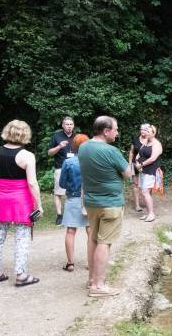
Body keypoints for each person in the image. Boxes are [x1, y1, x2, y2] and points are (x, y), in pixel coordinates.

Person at [78, 115, 133, 297]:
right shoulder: (112, 151)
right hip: (110, 204)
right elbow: (127, 173)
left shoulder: (83, 147)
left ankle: (91, 280)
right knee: (104, 242)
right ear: (106, 131)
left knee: (92, 239)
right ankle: (98, 287)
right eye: (115, 129)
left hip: (91, 203)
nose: (117, 132)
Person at [0, 119, 43, 287]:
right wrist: (38, 204)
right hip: (21, 200)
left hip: (0, 197)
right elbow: (32, 183)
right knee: (22, 237)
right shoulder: (27, 156)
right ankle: (21, 274)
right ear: (25, 134)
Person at [58, 133, 90, 272]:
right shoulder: (93, 162)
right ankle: (90, 262)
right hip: (90, 199)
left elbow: (62, 183)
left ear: (74, 147)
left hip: (73, 199)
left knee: (71, 231)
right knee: (91, 231)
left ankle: (70, 263)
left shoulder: (68, 162)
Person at [47, 116, 77, 226]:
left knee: (74, 191)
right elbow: (50, 153)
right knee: (58, 192)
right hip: (60, 167)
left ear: (73, 126)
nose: (69, 126)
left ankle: (72, 213)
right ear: (63, 125)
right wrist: (59, 146)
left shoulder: (77, 137)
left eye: (71, 124)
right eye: (67, 124)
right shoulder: (57, 136)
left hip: (75, 168)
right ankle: (59, 216)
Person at [131, 124, 163, 223]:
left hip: (151, 171)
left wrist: (141, 165)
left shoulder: (156, 144)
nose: (145, 132)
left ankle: (151, 214)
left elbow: (153, 158)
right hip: (143, 171)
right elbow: (138, 154)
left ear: (153, 133)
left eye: (148, 131)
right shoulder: (146, 143)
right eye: (145, 130)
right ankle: (148, 213)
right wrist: (137, 162)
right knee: (145, 192)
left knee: (145, 192)